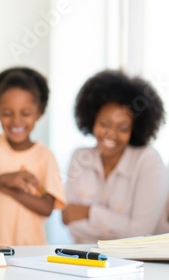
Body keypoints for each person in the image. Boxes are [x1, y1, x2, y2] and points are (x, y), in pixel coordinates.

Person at [62, 70, 167, 243]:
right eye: (104, 124)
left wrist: (88, 212)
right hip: (87, 259)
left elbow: (140, 234)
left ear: (134, 129)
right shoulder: (79, 157)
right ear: (92, 120)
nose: (111, 134)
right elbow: (71, 224)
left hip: (144, 264)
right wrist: (121, 226)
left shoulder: (148, 161)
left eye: (123, 128)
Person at [0, 67, 66, 246]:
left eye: (25, 113)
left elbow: (46, 208)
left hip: (30, 247)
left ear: (39, 112)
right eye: (7, 113)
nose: (16, 121)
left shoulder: (44, 156)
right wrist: (6, 179)